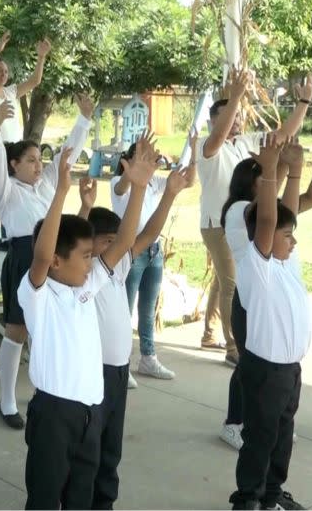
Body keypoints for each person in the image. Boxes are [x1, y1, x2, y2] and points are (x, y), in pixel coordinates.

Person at [19, 141, 159, 509]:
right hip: (54, 416)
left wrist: (140, 187)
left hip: (90, 412)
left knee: (82, 495)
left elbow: (126, 240)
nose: (91, 261)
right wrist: (62, 192)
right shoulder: (39, 294)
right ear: (57, 264)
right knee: (46, 499)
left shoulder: (88, 283)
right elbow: (42, 254)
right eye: (84, 256)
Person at [82, 159, 194, 510]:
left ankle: (104, 503)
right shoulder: (85, 274)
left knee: (110, 447)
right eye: (107, 242)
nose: (116, 247)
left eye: (117, 242)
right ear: (89, 246)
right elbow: (130, 235)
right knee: (88, 448)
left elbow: (147, 235)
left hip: (117, 372)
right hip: (92, 373)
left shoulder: (121, 265)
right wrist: (136, 189)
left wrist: (170, 195)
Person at [0, 96, 93, 429]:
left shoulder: (45, 187)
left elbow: (65, 158)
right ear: (14, 164)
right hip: (24, 259)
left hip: (55, 260)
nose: (38, 165)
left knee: (46, 330)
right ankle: (7, 400)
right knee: (17, 330)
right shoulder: (4, 192)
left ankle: (46, 389)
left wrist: (83, 120)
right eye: (30, 160)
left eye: (38, 159)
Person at [219, 137, 312, 451]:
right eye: (266, 174)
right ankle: (235, 423)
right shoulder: (241, 210)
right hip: (252, 297)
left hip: (267, 293)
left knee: (259, 369)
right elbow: (267, 219)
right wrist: (276, 168)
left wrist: (301, 169)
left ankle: (262, 424)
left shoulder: (271, 215)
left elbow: (290, 209)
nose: (273, 174)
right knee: (250, 366)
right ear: (252, 182)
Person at [197, 70, 312, 366]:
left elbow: (281, 137)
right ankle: (235, 348)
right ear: (214, 120)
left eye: (237, 116)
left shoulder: (246, 143)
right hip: (218, 224)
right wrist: (235, 96)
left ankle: (209, 332)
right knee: (232, 283)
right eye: (228, 115)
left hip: (245, 223)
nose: (236, 120)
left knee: (224, 280)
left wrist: (302, 103)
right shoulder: (207, 146)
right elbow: (219, 135)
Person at [228, 133, 312, 511]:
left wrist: (296, 171)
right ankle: (248, 498)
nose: (293, 241)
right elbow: (268, 217)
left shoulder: (285, 261)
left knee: (282, 435)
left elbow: (284, 213)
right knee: (261, 438)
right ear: (263, 238)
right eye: (286, 236)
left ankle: (272, 495)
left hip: (289, 370)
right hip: (265, 370)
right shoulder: (257, 266)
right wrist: (268, 172)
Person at [109, 131, 196, 384]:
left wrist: (193, 153)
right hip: (130, 253)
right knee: (123, 309)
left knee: (147, 310)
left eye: (151, 157)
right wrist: (136, 163)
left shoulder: (153, 182)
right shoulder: (118, 183)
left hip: (153, 251)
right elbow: (124, 183)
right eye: (143, 157)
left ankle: (148, 358)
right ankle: (120, 362)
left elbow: (186, 181)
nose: (151, 161)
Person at [0, 32, 52, 254]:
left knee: (14, 195)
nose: (3, 74)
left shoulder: (10, 92)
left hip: (13, 150)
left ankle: (7, 236)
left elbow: (35, 81)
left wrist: (41, 57)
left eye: (6, 71)